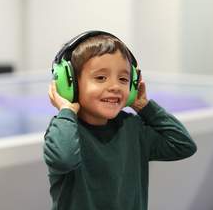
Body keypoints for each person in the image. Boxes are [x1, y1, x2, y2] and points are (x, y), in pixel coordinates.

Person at [43, 30, 197, 210]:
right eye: (101, 78)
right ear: (70, 85)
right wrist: (67, 111)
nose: (115, 86)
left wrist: (143, 106)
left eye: (124, 79)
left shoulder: (132, 128)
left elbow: (183, 145)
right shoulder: (63, 131)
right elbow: (65, 159)